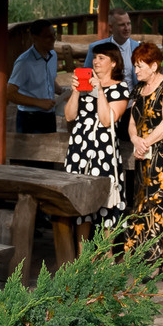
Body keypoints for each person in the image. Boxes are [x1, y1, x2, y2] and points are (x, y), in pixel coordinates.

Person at [119, 41, 163, 265]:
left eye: (139, 66)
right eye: (135, 66)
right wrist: (136, 139)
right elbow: (132, 122)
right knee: (141, 202)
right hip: (142, 154)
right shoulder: (138, 89)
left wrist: (145, 143)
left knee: (157, 203)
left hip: (160, 156)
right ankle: (138, 253)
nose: (135, 71)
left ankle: (156, 258)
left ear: (154, 66)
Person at [61, 41, 130, 231]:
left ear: (114, 62)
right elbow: (69, 115)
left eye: (101, 58)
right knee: (80, 203)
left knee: (105, 200)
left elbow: (107, 120)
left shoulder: (120, 88)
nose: (96, 61)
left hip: (103, 148)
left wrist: (100, 91)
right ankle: (83, 257)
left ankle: (105, 258)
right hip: (80, 146)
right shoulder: (84, 87)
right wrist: (75, 92)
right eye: (94, 57)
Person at [8, 21, 62, 136]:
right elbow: (9, 93)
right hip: (30, 118)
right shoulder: (24, 62)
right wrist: (39, 103)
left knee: (49, 151)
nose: (53, 39)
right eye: (48, 36)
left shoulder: (53, 55)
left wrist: (62, 92)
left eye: (54, 35)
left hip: (49, 116)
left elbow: (48, 79)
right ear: (34, 38)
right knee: (30, 153)